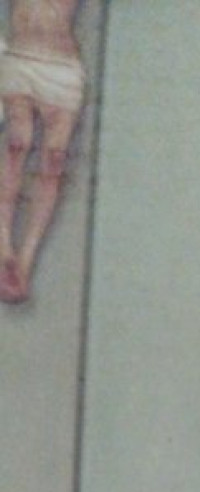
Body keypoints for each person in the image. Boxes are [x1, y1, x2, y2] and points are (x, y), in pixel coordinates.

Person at [0, 0, 86, 304]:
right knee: (16, 144)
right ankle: (4, 246)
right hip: (21, 57)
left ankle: (24, 260)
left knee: (54, 160)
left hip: (62, 66)